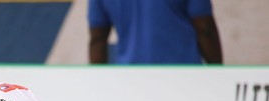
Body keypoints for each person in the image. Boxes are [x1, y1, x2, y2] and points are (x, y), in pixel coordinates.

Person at [88, 0, 223, 64]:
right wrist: (218, 73)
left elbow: (97, 40)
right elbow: (205, 29)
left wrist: (99, 86)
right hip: (183, 78)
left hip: (130, 81)